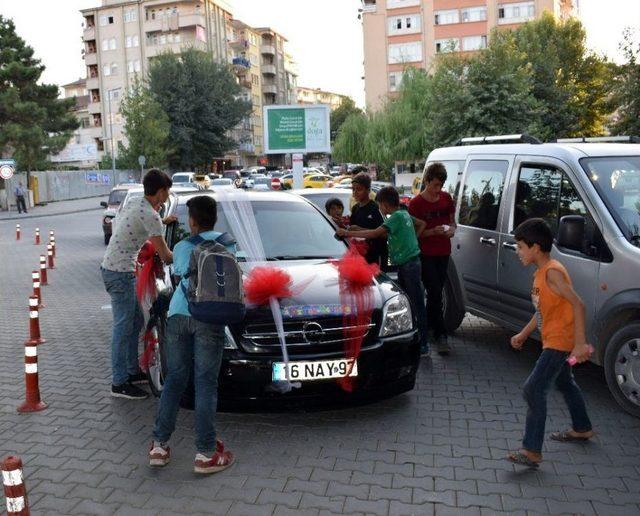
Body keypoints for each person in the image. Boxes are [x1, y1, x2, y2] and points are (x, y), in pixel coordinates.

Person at [150, 195, 235, 474]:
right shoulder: (228, 243)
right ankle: (205, 453)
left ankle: (159, 447)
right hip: (210, 318)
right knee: (206, 384)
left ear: (193, 220)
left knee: (174, 380)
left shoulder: (182, 245)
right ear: (214, 218)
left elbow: (175, 272)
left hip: (178, 315)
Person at [508, 218, 593, 468]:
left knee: (533, 389)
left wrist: (579, 344)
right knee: (565, 382)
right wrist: (523, 334)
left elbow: (579, 304)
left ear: (536, 247)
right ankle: (582, 428)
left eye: (521, 247)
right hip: (554, 338)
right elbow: (542, 312)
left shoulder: (552, 272)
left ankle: (532, 450)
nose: (517, 252)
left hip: (559, 341)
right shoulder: (539, 275)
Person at [101, 169, 175, 400]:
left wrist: (162, 221)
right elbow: (165, 255)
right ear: (161, 191)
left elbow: (139, 223)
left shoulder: (136, 202)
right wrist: (192, 250)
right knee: (123, 328)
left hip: (114, 269)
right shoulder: (150, 216)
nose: (167, 196)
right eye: (166, 192)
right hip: (119, 273)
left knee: (135, 323)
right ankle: (119, 382)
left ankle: (132, 372)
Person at [338, 187, 429, 354]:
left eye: (380, 205)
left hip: (409, 265)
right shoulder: (403, 214)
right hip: (410, 263)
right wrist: (411, 239)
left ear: (385, 205)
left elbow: (375, 233)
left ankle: (423, 343)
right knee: (410, 302)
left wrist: (345, 232)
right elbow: (422, 224)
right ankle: (418, 340)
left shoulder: (395, 217)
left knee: (415, 303)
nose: (380, 208)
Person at [408, 163, 456, 355]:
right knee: (434, 291)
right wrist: (430, 232)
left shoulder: (446, 198)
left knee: (436, 293)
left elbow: (453, 222)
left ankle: (426, 327)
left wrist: (451, 230)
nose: (438, 190)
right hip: (426, 253)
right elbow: (412, 234)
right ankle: (440, 334)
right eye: (435, 185)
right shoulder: (416, 204)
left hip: (444, 251)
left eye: (441, 185)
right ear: (426, 181)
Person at [349, 172, 388, 270]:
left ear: (368, 190)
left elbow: (384, 234)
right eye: (353, 189)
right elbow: (351, 231)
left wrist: (359, 229)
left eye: (359, 189)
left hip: (376, 255)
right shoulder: (355, 208)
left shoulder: (376, 208)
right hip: (360, 256)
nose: (355, 192)